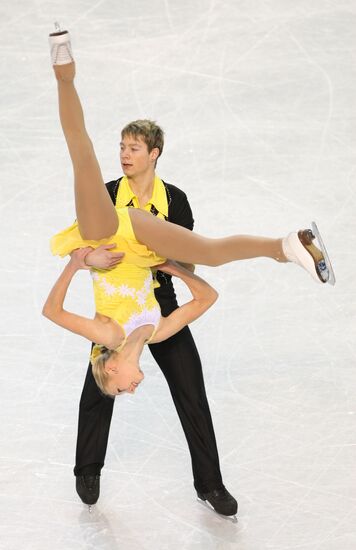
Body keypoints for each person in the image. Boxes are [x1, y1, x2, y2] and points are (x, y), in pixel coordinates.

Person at [43, 28, 334, 517]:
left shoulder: (173, 201)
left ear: (154, 153)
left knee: (192, 385)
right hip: (117, 244)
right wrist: (86, 258)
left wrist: (166, 263)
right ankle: (87, 469)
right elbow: (86, 256)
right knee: (98, 392)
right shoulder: (112, 192)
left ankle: (210, 484)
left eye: (134, 147)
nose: (125, 153)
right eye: (124, 146)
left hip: (155, 285)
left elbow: (194, 263)